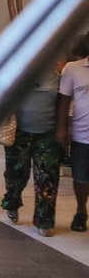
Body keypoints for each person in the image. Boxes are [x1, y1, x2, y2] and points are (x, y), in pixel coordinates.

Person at [3, 58, 63, 236]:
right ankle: (12, 202)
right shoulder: (17, 70)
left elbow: (62, 102)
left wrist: (61, 129)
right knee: (17, 175)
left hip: (48, 134)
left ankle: (44, 220)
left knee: (48, 177)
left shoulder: (57, 73)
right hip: (20, 133)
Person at [58, 45, 89, 232]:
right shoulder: (73, 68)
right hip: (82, 133)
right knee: (81, 177)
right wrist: (62, 128)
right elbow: (64, 100)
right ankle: (81, 210)